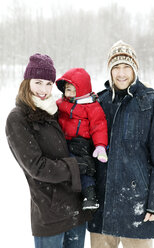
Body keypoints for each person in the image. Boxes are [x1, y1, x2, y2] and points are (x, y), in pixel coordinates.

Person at [5, 53, 93, 248]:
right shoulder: (18, 118)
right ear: (27, 82)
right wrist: (76, 166)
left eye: (48, 83)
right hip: (49, 212)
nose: (43, 90)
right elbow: (37, 167)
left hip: (76, 208)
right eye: (38, 82)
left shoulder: (54, 111)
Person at [88, 40, 154, 248]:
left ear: (135, 69)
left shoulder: (151, 102)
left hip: (137, 207)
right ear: (110, 71)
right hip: (102, 207)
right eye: (116, 68)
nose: (121, 74)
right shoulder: (99, 102)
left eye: (126, 67)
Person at [56, 68, 108, 210]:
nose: (70, 93)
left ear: (83, 89)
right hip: (63, 141)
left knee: (84, 167)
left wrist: (100, 145)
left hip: (81, 143)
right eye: (67, 89)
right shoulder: (61, 103)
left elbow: (99, 126)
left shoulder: (91, 106)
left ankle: (90, 195)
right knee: (66, 166)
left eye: (74, 90)